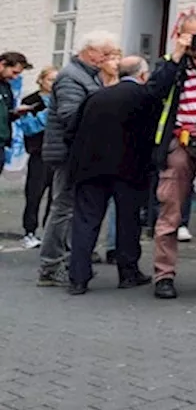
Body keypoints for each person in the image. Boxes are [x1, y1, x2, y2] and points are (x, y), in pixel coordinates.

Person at [148, 16, 196, 298]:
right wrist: (178, 55)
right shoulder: (170, 62)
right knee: (170, 211)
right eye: (192, 36)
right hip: (180, 145)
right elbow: (154, 90)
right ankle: (164, 275)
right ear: (179, 35)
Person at [66, 57, 158, 295]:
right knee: (128, 221)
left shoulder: (96, 96)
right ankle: (128, 272)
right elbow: (151, 134)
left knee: (86, 220)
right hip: (129, 168)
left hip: (89, 167)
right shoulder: (145, 97)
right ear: (142, 75)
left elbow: (72, 130)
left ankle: (78, 277)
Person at [38, 31, 114, 286]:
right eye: (104, 54)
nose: (106, 59)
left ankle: (68, 259)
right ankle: (50, 266)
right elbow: (72, 116)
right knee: (63, 208)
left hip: (78, 152)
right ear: (89, 51)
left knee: (70, 207)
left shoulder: (87, 76)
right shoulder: (72, 77)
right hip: (69, 153)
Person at [15, 64, 53, 249]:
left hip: (58, 153)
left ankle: (50, 231)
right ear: (41, 80)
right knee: (34, 194)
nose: (53, 84)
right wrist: (47, 114)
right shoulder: (31, 101)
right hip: (38, 152)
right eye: (50, 80)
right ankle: (29, 231)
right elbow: (29, 128)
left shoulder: (63, 99)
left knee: (56, 196)